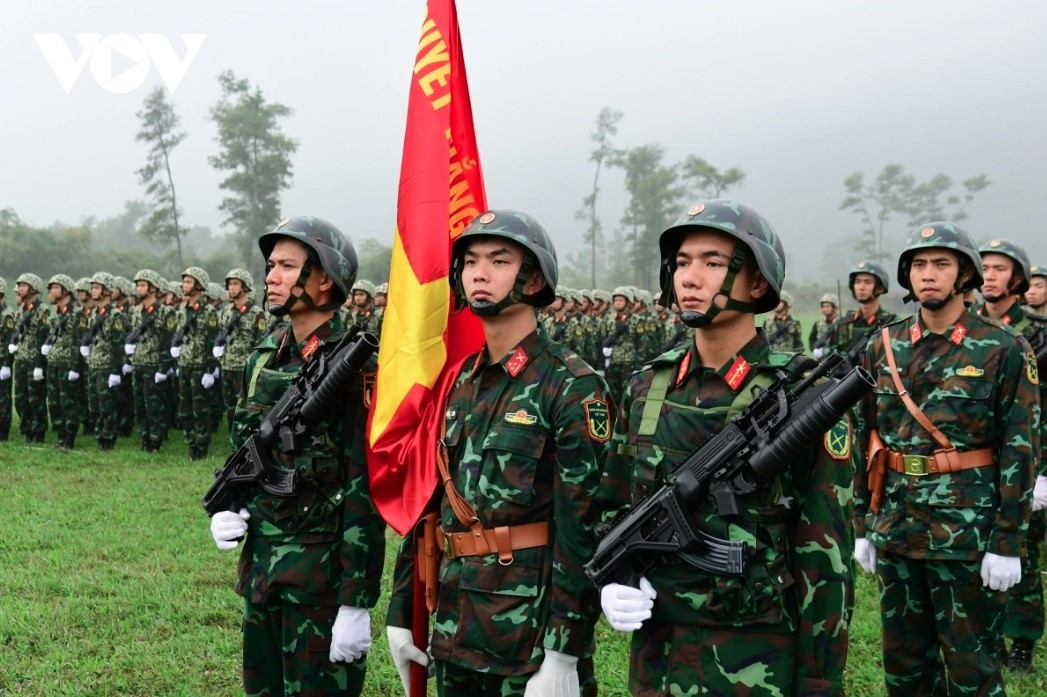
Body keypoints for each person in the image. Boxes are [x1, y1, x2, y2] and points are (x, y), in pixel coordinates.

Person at [596, 199, 856, 696]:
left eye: (713, 263)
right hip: (658, 658)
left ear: (757, 283)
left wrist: (820, 683)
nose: (689, 278)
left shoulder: (799, 396)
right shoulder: (648, 387)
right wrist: (614, 575)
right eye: (683, 262)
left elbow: (825, 559)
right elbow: (612, 504)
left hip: (755, 662)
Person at [385, 209, 611, 697]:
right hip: (452, 627)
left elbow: (583, 528)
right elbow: (431, 505)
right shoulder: (459, 381)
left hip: (524, 640)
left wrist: (563, 654)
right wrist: (401, 612)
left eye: (499, 260)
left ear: (533, 278)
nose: (479, 273)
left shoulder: (572, 386)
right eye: (469, 262)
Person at [853, 223, 1039, 696]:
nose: (927, 274)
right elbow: (867, 437)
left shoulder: (1003, 347)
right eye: (918, 264)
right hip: (897, 526)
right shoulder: (884, 345)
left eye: (941, 264)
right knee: (904, 668)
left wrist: (1008, 538)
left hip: (967, 534)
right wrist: (862, 522)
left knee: (972, 669)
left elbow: (1020, 446)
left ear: (964, 275)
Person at [208, 216, 385, 697]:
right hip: (262, 574)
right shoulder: (263, 355)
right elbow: (243, 448)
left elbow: (365, 487)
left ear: (325, 277)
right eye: (270, 265)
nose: (271, 276)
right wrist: (228, 505)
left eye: (287, 265)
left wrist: (356, 601)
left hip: (320, 584)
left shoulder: (357, 364)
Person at [974, 238, 1047, 672]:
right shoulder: (966, 329)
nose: (989, 275)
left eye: (999, 268)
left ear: (1017, 278)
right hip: (977, 465)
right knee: (977, 553)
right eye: (984, 267)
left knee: (1021, 551)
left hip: (1029, 464)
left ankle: (1022, 639)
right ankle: (985, 633)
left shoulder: (1039, 334)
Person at [125, 269, 176, 452]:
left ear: (153, 288)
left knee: (154, 405)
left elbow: (167, 341)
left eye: (143, 285)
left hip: (154, 365)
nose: (139, 288)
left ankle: (156, 440)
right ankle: (144, 437)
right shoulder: (136, 311)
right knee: (139, 406)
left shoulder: (165, 312)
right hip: (138, 363)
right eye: (137, 285)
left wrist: (163, 368)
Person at [173, 266, 220, 460]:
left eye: (189, 282)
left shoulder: (208, 311)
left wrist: (210, 370)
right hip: (184, 365)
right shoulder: (182, 309)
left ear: (199, 285)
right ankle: (190, 441)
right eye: (184, 281)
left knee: (200, 409)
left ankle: (201, 445)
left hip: (200, 366)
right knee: (184, 410)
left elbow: (212, 341)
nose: (184, 285)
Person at [213, 268, 268, 427]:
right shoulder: (225, 311)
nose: (231, 287)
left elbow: (260, 343)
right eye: (229, 284)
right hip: (226, 365)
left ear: (245, 287)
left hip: (244, 368)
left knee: (244, 408)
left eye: (236, 283)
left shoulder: (256, 313)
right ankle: (233, 439)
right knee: (229, 407)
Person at [42, 274, 88, 449]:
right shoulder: (54, 314)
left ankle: (70, 437)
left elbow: (81, 342)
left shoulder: (77, 315)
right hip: (53, 362)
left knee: (68, 401)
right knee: (53, 402)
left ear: (66, 291)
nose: (52, 291)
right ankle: (60, 433)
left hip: (68, 363)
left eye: (55, 287)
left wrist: (76, 367)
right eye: (51, 288)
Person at [83, 272, 128, 451]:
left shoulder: (115, 316)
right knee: (94, 406)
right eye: (92, 287)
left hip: (107, 367)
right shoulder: (94, 313)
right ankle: (99, 433)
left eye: (97, 287)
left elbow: (118, 346)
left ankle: (107, 438)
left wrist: (116, 371)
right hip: (94, 364)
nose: (93, 291)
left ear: (107, 290)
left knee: (106, 405)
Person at [11, 273, 53, 443]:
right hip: (21, 360)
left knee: (36, 399)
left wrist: (40, 365)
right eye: (19, 285)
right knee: (20, 399)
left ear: (33, 288)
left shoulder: (42, 310)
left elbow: (44, 339)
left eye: (24, 285)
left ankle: (39, 431)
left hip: (35, 361)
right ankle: (26, 430)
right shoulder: (21, 310)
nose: (20, 288)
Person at [832, 260, 896, 359]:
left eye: (868, 282)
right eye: (857, 282)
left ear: (880, 288)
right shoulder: (843, 324)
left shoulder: (893, 324)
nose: (861, 287)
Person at [0, 277, 16, 440]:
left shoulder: (7, 316)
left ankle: (2, 430)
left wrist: (6, 364)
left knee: (3, 397)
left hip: (2, 360)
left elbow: (11, 342)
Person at [809, 292, 839, 358]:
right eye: (823, 306)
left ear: (834, 307)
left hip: (837, 358)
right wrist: (814, 350)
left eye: (828, 306)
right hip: (822, 360)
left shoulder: (841, 323)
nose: (825, 309)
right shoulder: (818, 324)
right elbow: (812, 339)